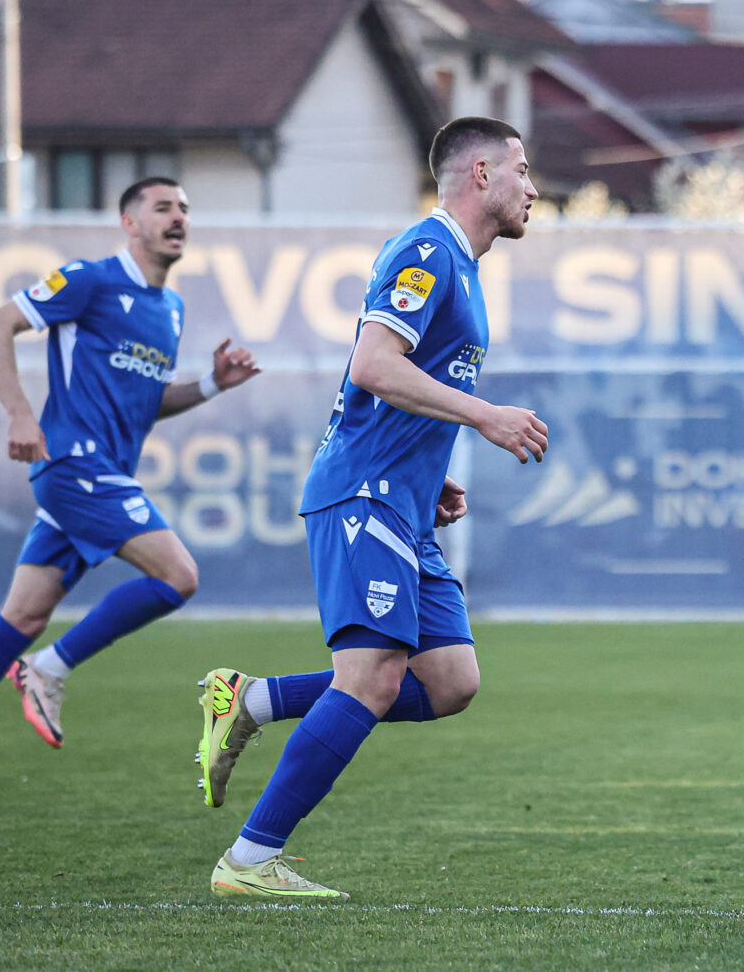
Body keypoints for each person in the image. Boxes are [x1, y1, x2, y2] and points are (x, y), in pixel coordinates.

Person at [200, 116, 547, 900]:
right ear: (481, 173)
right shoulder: (426, 250)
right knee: (371, 681)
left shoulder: (463, 269)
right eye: (523, 170)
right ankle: (250, 860)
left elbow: (402, 386)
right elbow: (373, 365)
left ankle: (251, 699)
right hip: (364, 496)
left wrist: (432, 472)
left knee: (451, 681)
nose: (533, 188)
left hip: (403, 503)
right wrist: (483, 416)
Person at [0, 178, 259, 746]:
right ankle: (48, 668)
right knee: (178, 575)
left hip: (102, 476)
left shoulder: (170, 309)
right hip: (75, 466)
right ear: (129, 222)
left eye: (184, 208)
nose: (178, 217)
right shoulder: (88, 280)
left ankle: (35, 661)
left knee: (21, 620)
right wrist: (19, 413)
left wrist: (211, 384)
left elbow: (148, 402)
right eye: (162, 207)